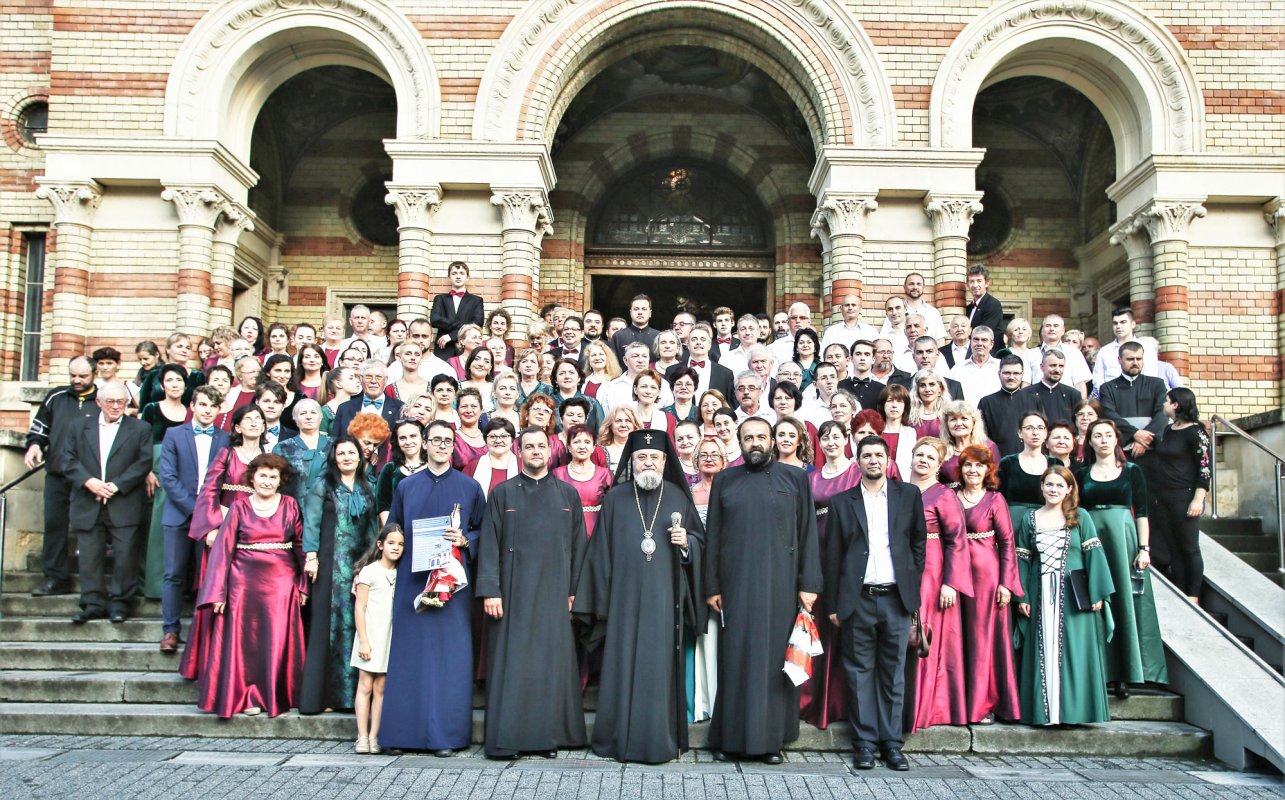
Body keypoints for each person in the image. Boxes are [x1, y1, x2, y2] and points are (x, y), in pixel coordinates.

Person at [573, 428, 705, 763]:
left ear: (664, 461)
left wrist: (686, 544)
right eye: (641, 457)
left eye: (654, 457)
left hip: (664, 600)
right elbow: (600, 550)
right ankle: (617, 740)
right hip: (623, 601)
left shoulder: (677, 495)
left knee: (657, 668)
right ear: (632, 462)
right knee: (621, 663)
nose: (648, 463)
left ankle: (658, 740)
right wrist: (597, 601)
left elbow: (701, 544)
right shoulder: (616, 498)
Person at [704, 417, 821, 764]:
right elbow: (714, 537)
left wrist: (809, 585)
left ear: (772, 440)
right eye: (748, 437)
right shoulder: (725, 480)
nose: (755, 443)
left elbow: (807, 534)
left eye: (760, 437)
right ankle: (730, 739)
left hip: (781, 586)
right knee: (736, 658)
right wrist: (712, 586)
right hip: (735, 586)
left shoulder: (795, 478)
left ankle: (771, 742)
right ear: (739, 442)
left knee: (773, 663)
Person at [477, 427, 589, 759]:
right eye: (529, 446)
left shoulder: (567, 495)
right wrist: (490, 591)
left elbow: (578, 546)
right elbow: (489, 545)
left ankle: (547, 739)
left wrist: (574, 592)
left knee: (549, 665)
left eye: (541, 446)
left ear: (551, 451)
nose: (536, 451)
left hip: (555, 592)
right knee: (513, 664)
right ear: (519, 451)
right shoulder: (503, 493)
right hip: (511, 594)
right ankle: (508, 739)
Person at [381, 420, 486, 755]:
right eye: (436, 440)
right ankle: (401, 735)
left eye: (447, 441)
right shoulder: (406, 486)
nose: (442, 445)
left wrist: (466, 539)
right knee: (409, 656)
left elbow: (484, 531)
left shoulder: (469, 488)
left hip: (452, 584)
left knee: (449, 659)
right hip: (413, 581)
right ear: (424, 444)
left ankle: (445, 736)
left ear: (454, 446)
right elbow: (393, 531)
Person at [823, 435, 926, 771]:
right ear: (858, 461)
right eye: (866, 455)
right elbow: (834, 554)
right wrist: (836, 604)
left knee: (894, 674)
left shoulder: (908, 496)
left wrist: (910, 586)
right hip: (859, 600)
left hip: (896, 599)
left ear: (888, 459)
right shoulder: (842, 502)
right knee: (858, 673)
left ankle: (892, 744)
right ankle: (865, 743)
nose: (873, 461)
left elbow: (918, 545)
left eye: (878, 455)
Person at [196, 453, 307, 718]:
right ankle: (247, 695)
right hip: (242, 587)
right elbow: (223, 550)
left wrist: (303, 584)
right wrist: (218, 593)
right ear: (252, 478)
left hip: (282, 586)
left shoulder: (291, 505)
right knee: (244, 644)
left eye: (273, 477)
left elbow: (302, 547)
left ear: (281, 481)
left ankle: (276, 694)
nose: (267, 482)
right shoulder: (239, 508)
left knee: (276, 641)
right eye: (262, 476)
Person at [1013, 466, 1113, 725]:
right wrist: (1022, 596)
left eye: (1059, 485)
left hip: (1073, 595)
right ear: (1042, 486)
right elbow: (1022, 560)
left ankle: (1072, 712)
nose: (1053, 490)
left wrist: (1096, 592)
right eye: (1049, 484)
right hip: (1039, 591)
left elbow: (1094, 556)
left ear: (1069, 489)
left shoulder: (1081, 517)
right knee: (1042, 646)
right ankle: (1044, 713)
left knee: (1074, 650)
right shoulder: (1030, 518)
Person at [1076, 419, 1167, 695]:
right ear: (1089, 441)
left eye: (1108, 435)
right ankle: (1099, 670)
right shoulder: (1081, 475)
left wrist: (1144, 548)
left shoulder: (1131, 471)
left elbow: (1141, 512)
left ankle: (1126, 673)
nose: (1103, 440)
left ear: (1116, 440)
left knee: (1125, 602)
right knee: (1096, 601)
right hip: (1092, 539)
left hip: (1123, 541)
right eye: (1096, 436)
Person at [300, 437, 379, 714]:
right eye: (341, 453)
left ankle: (354, 696)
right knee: (327, 628)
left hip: (360, 565)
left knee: (357, 627)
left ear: (360, 456)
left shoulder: (368, 486)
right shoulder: (323, 485)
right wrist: (311, 556)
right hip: (329, 567)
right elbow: (311, 523)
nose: (347, 457)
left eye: (352, 453)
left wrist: (373, 564)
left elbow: (372, 529)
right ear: (333, 458)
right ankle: (324, 697)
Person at [63, 381, 152, 623]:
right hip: (88, 500)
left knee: (125, 557)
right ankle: (92, 603)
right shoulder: (79, 427)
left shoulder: (140, 428)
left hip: (123, 501)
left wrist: (117, 485)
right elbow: (68, 460)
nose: (116, 406)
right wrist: (89, 481)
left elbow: (143, 462)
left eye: (121, 402)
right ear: (99, 402)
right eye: (111, 401)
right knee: (90, 556)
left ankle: (120, 603)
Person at [904, 437, 971, 732]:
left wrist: (950, 583)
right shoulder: (900, 490)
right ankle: (904, 705)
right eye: (919, 454)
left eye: (930, 457)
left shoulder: (943, 495)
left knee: (924, 634)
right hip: (902, 566)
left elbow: (957, 541)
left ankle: (924, 708)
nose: (923, 460)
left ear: (939, 464)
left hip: (932, 571)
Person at [157, 386, 229, 653]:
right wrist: (195, 510)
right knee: (173, 574)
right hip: (179, 514)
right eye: (202, 405)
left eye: (212, 406)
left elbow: (227, 481)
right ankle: (170, 630)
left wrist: (208, 514)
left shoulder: (226, 439)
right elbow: (169, 478)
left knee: (208, 575)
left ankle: (203, 635)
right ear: (193, 406)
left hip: (211, 519)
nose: (207, 410)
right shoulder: (174, 435)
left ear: (218, 409)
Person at [954, 445, 1021, 724]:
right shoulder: (950, 496)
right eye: (968, 465)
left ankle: (982, 704)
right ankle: (958, 701)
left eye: (979, 466)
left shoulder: (995, 500)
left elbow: (1007, 544)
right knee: (958, 639)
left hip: (987, 577)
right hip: (955, 574)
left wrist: (1006, 583)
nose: (973, 470)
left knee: (983, 640)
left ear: (988, 470)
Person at [24, 355, 100, 596]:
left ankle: (93, 586)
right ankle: (55, 578)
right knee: (55, 525)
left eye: (83, 376)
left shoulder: (102, 400)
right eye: (73, 376)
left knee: (89, 530)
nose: (76, 380)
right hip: (57, 474)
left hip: (89, 479)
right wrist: (35, 444)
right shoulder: (56, 397)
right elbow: (39, 428)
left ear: (94, 375)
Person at [803, 420, 862, 729]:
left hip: (848, 551)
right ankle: (819, 700)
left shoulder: (856, 472)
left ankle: (845, 702)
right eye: (825, 438)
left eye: (836, 437)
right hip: (818, 551)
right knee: (822, 626)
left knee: (847, 628)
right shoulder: (812, 477)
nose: (830, 442)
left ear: (846, 439)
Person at [1150, 388, 1211, 601]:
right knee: (1173, 547)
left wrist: (1198, 498)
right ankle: (1180, 591)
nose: (1163, 404)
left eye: (1166, 401)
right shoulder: (1169, 430)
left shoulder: (1197, 432)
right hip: (1164, 497)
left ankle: (1194, 594)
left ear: (1176, 404)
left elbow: (1204, 468)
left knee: (1189, 547)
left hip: (1184, 497)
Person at [139, 364, 191, 599]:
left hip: (183, 474)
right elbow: (142, 441)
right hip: (157, 473)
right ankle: (154, 586)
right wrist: (147, 471)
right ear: (162, 384)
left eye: (179, 380)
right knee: (156, 532)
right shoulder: (151, 409)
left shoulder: (190, 410)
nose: (175, 385)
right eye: (170, 380)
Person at [350, 524, 403, 754]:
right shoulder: (369, 572)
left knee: (381, 687)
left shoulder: (401, 573)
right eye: (391, 543)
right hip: (369, 635)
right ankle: (361, 736)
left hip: (389, 637)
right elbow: (359, 607)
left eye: (401, 544)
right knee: (365, 685)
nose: (396, 547)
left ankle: (374, 736)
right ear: (380, 545)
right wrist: (363, 640)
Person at [1097, 341, 1167, 465]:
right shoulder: (1108, 388)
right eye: (1130, 359)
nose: (1135, 363)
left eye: (1139, 358)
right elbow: (1109, 415)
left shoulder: (1157, 385)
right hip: (1121, 451)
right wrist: (1135, 434)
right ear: (1119, 360)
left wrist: (1144, 441)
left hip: (1152, 451)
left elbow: (1162, 414)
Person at [552, 424, 612, 537]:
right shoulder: (557, 474)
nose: (582, 446)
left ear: (594, 447)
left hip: (597, 532)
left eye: (587, 442)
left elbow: (612, 508)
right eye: (576, 442)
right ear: (569, 447)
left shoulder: (605, 474)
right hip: (566, 531)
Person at [332, 359, 404, 442]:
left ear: (385, 380)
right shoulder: (344, 408)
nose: (373, 381)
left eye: (378, 377)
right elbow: (334, 442)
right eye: (368, 377)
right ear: (360, 379)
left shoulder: (399, 408)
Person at [274, 399, 329, 503]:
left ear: (321, 417)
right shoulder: (283, 448)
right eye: (303, 413)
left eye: (313, 412)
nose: (308, 417)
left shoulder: (336, 445)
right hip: (295, 507)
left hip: (329, 508)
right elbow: (276, 481)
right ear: (295, 418)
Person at [429, 262, 485, 357]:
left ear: (467, 277)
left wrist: (452, 336)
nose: (458, 277)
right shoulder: (440, 299)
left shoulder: (476, 300)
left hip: (466, 350)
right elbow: (434, 319)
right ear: (449, 277)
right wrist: (462, 326)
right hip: (443, 349)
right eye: (454, 273)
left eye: (462, 273)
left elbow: (477, 324)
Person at [376, 420, 427, 523]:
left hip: (428, 530)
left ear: (423, 439)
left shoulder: (434, 467)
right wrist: (392, 531)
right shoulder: (389, 469)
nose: (408, 442)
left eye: (413, 436)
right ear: (397, 441)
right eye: (402, 438)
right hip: (397, 531)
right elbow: (383, 505)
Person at [939, 401, 1000, 485]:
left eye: (964, 418)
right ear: (947, 424)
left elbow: (995, 480)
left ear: (974, 422)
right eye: (953, 419)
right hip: (946, 497)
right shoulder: (941, 450)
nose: (959, 424)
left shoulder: (988, 447)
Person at [978, 355, 1028, 457]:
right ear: (999, 374)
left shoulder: (1034, 400)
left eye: (1016, 373)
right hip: (996, 461)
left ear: (1022, 375)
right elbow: (980, 438)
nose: (1011, 377)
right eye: (1007, 373)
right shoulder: (986, 403)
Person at [1017, 349, 1081, 426]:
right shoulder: (1026, 394)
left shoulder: (1073, 395)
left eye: (1061, 366)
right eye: (1053, 365)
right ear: (1042, 367)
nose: (1057, 370)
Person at [464, 417, 520, 498]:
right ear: (485, 440)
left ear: (512, 441)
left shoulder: (523, 467)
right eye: (492, 436)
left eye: (504, 436)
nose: (498, 441)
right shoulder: (473, 467)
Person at [948, 326, 1001, 404]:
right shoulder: (958, 369)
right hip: (966, 415)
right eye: (976, 339)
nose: (979, 343)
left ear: (991, 344)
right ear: (970, 342)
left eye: (984, 340)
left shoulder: (1000, 366)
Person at [609, 293, 661, 364]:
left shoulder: (659, 336)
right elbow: (612, 365)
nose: (640, 312)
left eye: (644, 309)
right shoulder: (618, 336)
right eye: (636, 309)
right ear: (630, 312)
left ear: (650, 313)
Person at [877, 383, 916, 478]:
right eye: (890, 401)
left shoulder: (911, 433)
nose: (894, 405)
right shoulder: (875, 432)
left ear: (905, 406)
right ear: (883, 405)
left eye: (899, 401)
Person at [964, 265, 1003, 347]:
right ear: (967, 285)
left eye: (979, 281)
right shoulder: (968, 308)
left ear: (987, 283)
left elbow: (983, 332)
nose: (975, 285)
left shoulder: (993, 304)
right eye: (971, 281)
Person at [908, 368, 949, 438]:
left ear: (940, 389)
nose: (927, 389)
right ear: (917, 390)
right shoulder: (908, 416)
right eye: (922, 385)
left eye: (932, 384)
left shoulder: (948, 415)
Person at [319, 367, 359, 435]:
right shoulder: (325, 412)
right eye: (351, 378)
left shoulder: (359, 407)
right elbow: (322, 441)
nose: (357, 381)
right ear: (339, 384)